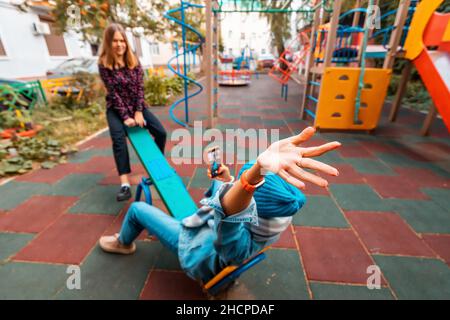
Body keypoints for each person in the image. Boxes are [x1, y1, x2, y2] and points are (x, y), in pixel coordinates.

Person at [99, 127, 340, 284]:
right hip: (207, 231)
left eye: (245, 189)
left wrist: (251, 177)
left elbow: (229, 213)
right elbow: (236, 204)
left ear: (249, 206)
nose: (240, 186)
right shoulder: (277, 214)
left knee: (137, 210)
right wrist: (226, 180)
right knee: (224, 196)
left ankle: (123, 243)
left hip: (194, 249)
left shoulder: (235, 241)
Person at [98, 23, 167, 201]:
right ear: (108, 42)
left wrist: (138, 112)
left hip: (136, 106)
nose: (119, 44)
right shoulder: (104, 64)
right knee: (118, 139)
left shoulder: (133, 60)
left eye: (122, 40)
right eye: (115, 41)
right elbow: (113, 93)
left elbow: (139, 88)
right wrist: (125, 117)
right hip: (116, 108)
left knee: (161, 132)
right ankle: (125, 184)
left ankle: (156, 169)